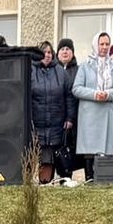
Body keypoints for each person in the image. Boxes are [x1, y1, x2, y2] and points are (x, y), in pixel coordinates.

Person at [72, 33, 113, 180]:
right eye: (101, 44)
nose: (104, 47)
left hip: (108, 113)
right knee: (90, 149)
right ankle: (90, 179)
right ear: (95, 45)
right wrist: (95, 94)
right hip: (90, 114)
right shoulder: (85, 66)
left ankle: (105, 179)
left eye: (107, 44)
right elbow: (76, 89)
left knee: (108, 148)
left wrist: (108, 94)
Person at [31, 41, 71, 183]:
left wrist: (69, 118)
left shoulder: (61, 72)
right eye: (43, 52)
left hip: (56, 123)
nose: (47, 55)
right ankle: (38, 184)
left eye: (49, 52)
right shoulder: (30, 70)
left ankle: (51, 182)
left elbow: (69, 97)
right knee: (37, 154)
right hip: (37, 122)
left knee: (53, 154)